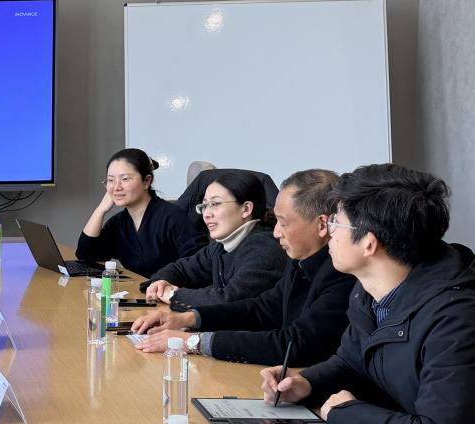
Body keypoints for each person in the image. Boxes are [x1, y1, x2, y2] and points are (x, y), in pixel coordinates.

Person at [263, 164, 475, 424]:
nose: (329, 231)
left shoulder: (456, 318)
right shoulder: (368, 291)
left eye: (336, 222)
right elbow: (352, 361)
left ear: (369, 243)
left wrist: (347, 414)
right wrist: (306, 383)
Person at [131, 169, 355, 364]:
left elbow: (295, 343)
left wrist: (193, 341)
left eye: (284, 223)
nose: (276, 232)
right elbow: (262, 308)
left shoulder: (342, 273)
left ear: (322, 224)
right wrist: (188, 318)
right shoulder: (301, 262)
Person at [144, 169, 287, 307]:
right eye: (204, 206)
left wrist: (172, 294)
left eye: (215, 204)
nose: (206, 214)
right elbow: (183, 269)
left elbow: (229, 300)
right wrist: (158, 283)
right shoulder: (221, 245)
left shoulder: (264, 248)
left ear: (246, 209)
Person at [76, 148, 203, 278]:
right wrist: (101, 209)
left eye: (125, 179)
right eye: (110, 180)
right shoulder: (118, 223)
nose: (116, 187)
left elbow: (199, 264)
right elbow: (85, 256)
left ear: (146, 181)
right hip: (138, 289)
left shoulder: (172, 216)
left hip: (170, 289)